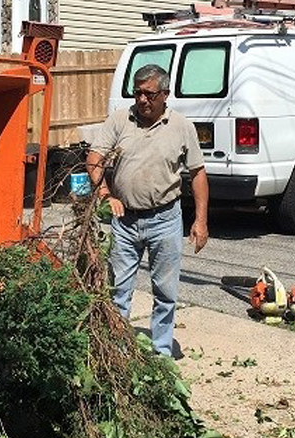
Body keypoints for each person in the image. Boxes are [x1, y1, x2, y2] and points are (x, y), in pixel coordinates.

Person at [86, 64, 209, 357]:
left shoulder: (181, 126)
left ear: (165, 95)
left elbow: (198, 173)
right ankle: (116, 352)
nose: (142, 100)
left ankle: (161, 352)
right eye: (138, 93)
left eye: (149, 94)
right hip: (124, 220)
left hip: (165, 219)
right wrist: (105, 193)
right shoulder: (120, 120)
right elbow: (94, 159)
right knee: (118, 292)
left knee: (165, 293)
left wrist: (201, 220)